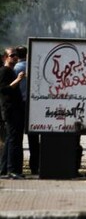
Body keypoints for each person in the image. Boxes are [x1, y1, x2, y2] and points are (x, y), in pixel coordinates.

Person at [0, 48, 25, 179]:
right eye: (12, 55)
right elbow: (4, 90)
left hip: (14, 110)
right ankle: (12, 170)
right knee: (14, 140)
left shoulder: (11, 71)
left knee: (10, 140)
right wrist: (18, 80)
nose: (15, 57)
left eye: (16, 55)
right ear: (5, 57)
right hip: (10, 110)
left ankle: (4, 169)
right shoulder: (4, 71)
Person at [13, 45, 38, 175]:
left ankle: (18, 167)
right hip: (32, 104)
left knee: (17, 137)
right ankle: (35, 166)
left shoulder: (15, 69)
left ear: (16, 56)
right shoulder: (33, 67)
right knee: (33, 137)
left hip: (19, 104)